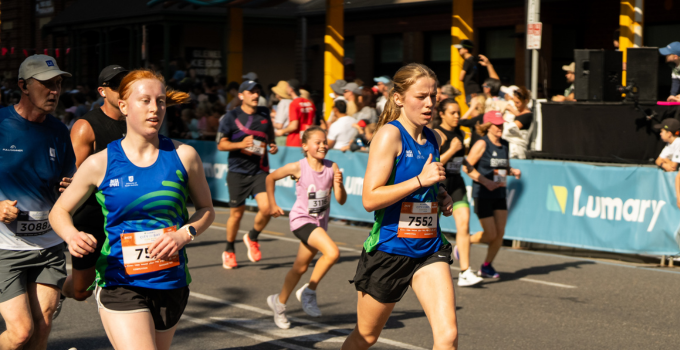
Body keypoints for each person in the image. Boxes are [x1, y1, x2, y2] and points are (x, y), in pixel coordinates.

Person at [49, 69, 215, 350]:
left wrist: (184, 234)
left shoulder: (184, 156)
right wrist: (72, 235)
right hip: (119, 281)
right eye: (145, 100)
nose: (155, 109)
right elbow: (59, 211)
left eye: (160, 101)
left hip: (171, 282)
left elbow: (206, 209)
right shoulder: (99, 163)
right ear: (124, 106)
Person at [342, 63, 457, 350]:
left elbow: (426, 183)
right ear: (399, 98)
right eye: (421, 96)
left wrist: (440, 193)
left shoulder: (432, 137)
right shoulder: (389, 136)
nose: (429, 103)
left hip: (428, 248)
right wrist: (420, 180)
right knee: (366, 337)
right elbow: (370, 198)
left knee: (448, 337)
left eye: (433, 96)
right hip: (390, 250)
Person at [0, 54, 74, 350]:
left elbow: (70, 181)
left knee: (42, 326)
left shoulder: (58, 131)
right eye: (46, 84)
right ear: (24, 86)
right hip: (6, 248)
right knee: (20, 332)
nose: (54, 91)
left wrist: (70, 187)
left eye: (57, 84)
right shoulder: (2, 123)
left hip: (48, 245)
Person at [265, 126, 347, 328]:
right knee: (333, 253)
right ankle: (309, 291)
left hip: (319, 224)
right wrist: (272, 204)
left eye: (324, 142)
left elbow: (341, 200)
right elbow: (270, 178)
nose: (322, 145)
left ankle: (279, 303)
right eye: (317, 142)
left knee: (300, 267)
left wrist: (340, 183)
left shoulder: (332, 167)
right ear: (305, 146)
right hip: (301, 220)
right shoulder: (298, 167)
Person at [64, 64, 129, 302]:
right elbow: (74, 176)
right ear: (103, 91)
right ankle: (59, 290)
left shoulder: (138, 122)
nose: (123, 89)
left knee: (127, 278)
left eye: (126, 83)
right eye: (116, 85)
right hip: (92, 213)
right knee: (83, 291)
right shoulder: (85, 126)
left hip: (125, 212)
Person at [217, 80, 278, 269]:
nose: (255, 95)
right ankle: (229, 250)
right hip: (237, 172)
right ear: (241, 95)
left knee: (267, 208)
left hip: (260, 170)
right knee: (236, 215)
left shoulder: (264, 113)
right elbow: (221, 145)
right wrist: (241, 145)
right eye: (250, 92)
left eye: (257, 91)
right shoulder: (231, 117)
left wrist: (272, 145)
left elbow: (270, 137)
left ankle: (252, 237)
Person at [434, 98, 484, 287]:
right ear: (442, 114)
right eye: (452, 113)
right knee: (430, 227)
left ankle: (465, 271)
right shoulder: (436, 134)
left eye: (458, 112)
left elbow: (462, 162)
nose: (457, 116)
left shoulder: (460, 134)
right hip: (438, 184)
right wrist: (452, 148)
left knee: (464, 224)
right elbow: (433, 162)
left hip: (457, 183)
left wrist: (484, 179)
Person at [465, 111, 521, 279]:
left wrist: (512, 171)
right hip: (483, 194)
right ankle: (464, 242)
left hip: (500, 193)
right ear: (487, 126)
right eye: (496, 125)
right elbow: (467, 167)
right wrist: (485, 182)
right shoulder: (482, 144)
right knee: (490, 234)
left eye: (501, 124)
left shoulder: (504, 144)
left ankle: (487, 266)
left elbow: (504, 167)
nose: (500, 128)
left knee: (500, 232)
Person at [276, 79, 316, 147]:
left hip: (294, 141)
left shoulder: (294, 104)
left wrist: (282, 131)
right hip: (308, 140)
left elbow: (294, 126)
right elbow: (313, 123)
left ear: (291, 89)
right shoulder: (310, 103)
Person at [502, 87, 534, 159]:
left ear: (525, 101)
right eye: (514, 102)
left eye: (517, 102)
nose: (515, 105)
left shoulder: (527, 116)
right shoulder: (517, 114)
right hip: (510, 149)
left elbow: (507, 131)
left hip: (517, 152)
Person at [271, 80, 293, 145]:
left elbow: (279, 125)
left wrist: (272, 121)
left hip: (281, 136)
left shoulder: (282, 103)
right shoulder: (291, 102)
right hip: (290, 136)